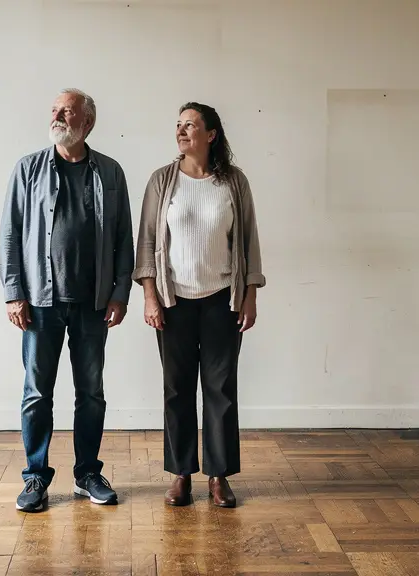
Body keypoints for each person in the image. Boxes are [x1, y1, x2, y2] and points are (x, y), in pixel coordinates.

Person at [0, 88, 135, 513]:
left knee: (90, 392)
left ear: (87, 123)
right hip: (40, 302)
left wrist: (120, 292)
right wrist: (13, 292)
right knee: (37, 393)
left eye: (68, 111)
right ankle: (35, 476)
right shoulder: (28, 169)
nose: (58, 116)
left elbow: (124, 240)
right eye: (55, 109)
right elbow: (9, 234)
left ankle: (87, 474)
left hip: (93, 303)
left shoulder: (110, 172)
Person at [132, 102, 266, 508]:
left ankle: (219, 476)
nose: (181, 130)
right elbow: (147, 243)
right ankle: (180, 474)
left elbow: (249, 240)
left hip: (221, 301)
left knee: (220, 389)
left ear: (211, 135)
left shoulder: (233, 182)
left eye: (190, 125)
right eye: (178, 125)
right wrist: (149, 296)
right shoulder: (161, 181)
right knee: (176, 389)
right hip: (174, 303)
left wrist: (250, 293)